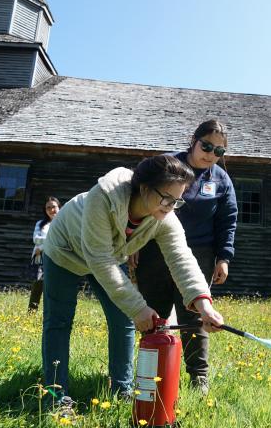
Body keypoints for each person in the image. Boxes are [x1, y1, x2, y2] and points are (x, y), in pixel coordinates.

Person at [41, 154, 225, 406]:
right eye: (166, 198)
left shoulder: (165, 218)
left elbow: (182, 258)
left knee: (123, 321)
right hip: (66, 250)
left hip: (105, 254)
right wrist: (139, 307)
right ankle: (55, 396)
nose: (171, 206)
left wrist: (203, 304)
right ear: (145, 188)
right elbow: (101, 262)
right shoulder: (102, 198)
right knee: (59, 321)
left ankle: (122, 389)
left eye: (177, 201)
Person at [133, 119, 237, 394]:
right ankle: (150, 374)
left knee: (195, 316)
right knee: (154, 313)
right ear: (193, 140)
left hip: (199, 254)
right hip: (155, 250)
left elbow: (228, 220)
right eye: (206, 146)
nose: (211, 154)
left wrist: (223, 257)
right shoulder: (169, 166)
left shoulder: (221, 180)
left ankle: (198, 378)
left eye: (219, 151)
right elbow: (140, 203)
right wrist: (134, 245)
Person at [28, 196, 60, 311]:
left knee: (54, 288)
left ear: (59, 207)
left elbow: (62, 241)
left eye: (54, 207)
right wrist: (51, 241)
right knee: (37, 286)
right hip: (40, 259)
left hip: (58, 259)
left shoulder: (64, 223)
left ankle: (51, 313)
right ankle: (31, 313)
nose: (51, 210)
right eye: (48, 207)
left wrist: (41, 247)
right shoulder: (40, 223)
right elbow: (36, 239)